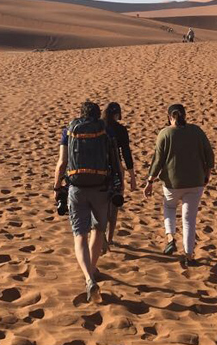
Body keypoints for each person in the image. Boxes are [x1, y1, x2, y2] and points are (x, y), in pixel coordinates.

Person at [53, 101, 123, 303]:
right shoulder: (106, 132)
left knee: (79, 235)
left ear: (80, 114)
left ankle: (89, 277)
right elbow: (115, 162)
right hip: (101, 188)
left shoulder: (69, 131)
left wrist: (57, 187)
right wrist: (121, 184)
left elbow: (61, 163)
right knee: (98, 231)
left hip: (76, 189)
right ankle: (91, 272)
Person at [143, 104, 214, 265]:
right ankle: (188, 256)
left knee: (169, 208)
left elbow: (157, 161)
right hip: (196, 181)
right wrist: (207, 176)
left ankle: (170, 237)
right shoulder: (196, 131)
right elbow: (209, 156)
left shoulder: (165, 133)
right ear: (185, 115)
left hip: (172, 183)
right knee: (189, 219)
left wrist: (150, 181)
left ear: (169, 117)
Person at [102, 102, 136, 252]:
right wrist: (132, 176)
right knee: (114, 205)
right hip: (116, 170)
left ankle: (101, 237)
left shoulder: (97, 127)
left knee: (100, 205)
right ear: (117, 115)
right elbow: (126, 153)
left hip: (98, 170)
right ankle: (109, 239)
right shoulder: (120, 130)